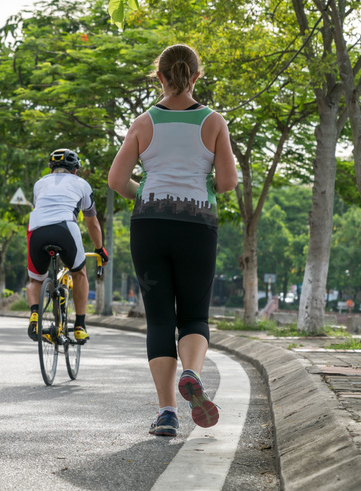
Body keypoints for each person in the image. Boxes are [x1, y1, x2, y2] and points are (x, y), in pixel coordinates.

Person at [108, 43, 238, 438]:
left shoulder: (143, 122)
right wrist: (204, 187)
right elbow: (228, 182)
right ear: (196, 76)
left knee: (160, 319)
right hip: (197, 226)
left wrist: (146, 193)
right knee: (194, 315)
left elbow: (116, 180)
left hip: (149, 224)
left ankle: (167, 413)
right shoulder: (213, 122)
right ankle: (192, 373)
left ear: (159, 76)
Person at [26, 148, 108, 346]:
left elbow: (41, 208)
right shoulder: (82, 184)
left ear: (51, 168)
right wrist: (99, 249)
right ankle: (79, 326)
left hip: (36, 230)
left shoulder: (39, 184)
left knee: (35, 280)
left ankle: (35, 316)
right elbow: (93, 222)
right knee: (79, 273)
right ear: (75, 170)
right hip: (65, 228)